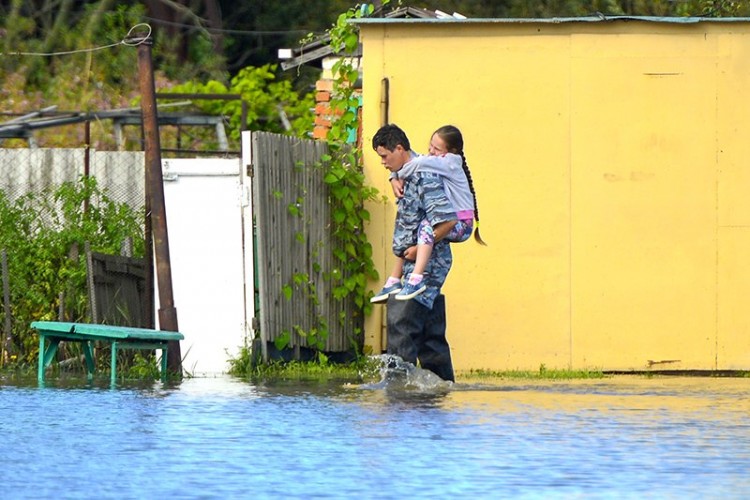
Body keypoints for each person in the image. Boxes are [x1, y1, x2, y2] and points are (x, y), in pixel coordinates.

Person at [371, 123, 457, 382]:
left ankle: (397, 389)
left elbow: (447, 221)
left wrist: (420, 248)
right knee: (430, 336)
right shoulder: (407, 171)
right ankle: (442, 388)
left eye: (385, 156)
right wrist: (393, 177)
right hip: (415, 265)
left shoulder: (424, 177)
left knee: (401, 321)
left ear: (399, 149)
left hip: (428, 265)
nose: (383, 163)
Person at [371, 125, 485, 302]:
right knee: (415, 226)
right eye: (430, 146)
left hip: (463, 224)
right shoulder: (439, 161)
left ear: (451, 151)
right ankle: (394, 279)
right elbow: (417, 158)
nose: (431, 152)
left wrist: (394, 175)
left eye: (437, 149)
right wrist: (394, 177)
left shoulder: (449, 162)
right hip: (456, 221)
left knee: (425, 226)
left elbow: (417, 162)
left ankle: (416, 279)